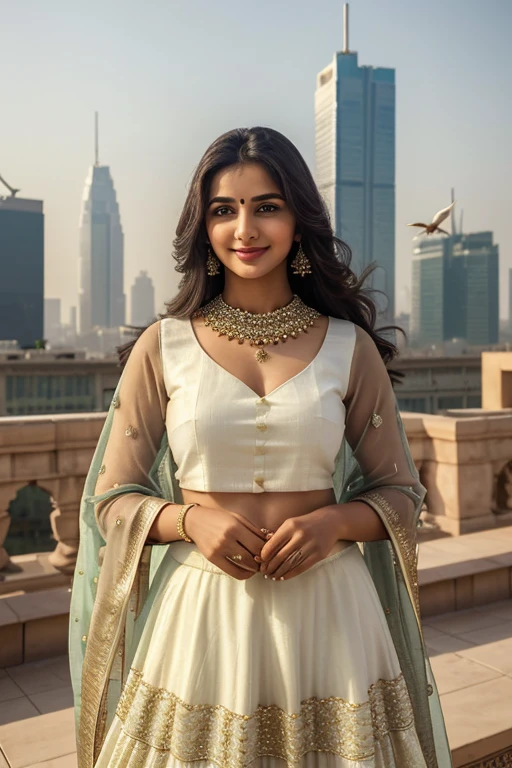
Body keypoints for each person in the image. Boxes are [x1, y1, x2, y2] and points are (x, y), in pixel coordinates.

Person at [69, 126, 452, 768]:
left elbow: (402, 494)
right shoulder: (163, 347)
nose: (245, 228)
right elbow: (111, 500)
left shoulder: (347, 348)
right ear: (205, 227)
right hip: (202, 615)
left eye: (266, 206)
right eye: (224, 210)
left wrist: (333, 523)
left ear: (298, 221)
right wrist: (191, 520)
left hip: (332, 614)